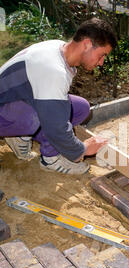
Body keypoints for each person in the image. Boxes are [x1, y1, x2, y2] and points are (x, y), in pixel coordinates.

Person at [0, 17, 117, 175]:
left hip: (14, 103)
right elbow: (56, 126)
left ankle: (20, 136)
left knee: (80, 108)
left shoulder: (59, 49)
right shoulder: (54, 70)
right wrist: (83, 149)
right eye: (102, 55)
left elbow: (56, 108)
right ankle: (51, 159)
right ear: (87, 44)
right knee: (43, 116)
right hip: (4, 110)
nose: (101, 62)